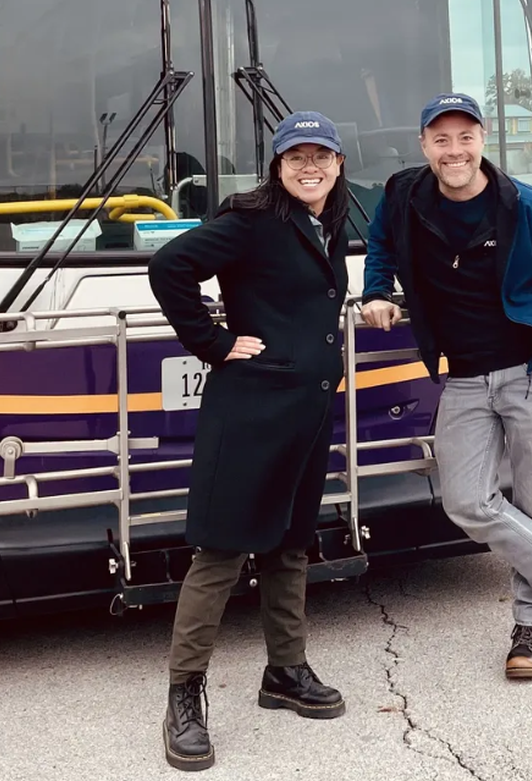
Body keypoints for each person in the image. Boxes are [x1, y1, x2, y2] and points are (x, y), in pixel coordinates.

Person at [359, 92, 532, 681]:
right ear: (424, 145)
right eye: (442, 139)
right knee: (466, 501)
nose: (455, 151)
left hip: (531, 374)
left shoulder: (528, 208)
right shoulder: (402, 196)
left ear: (483, 140)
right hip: (466, 379)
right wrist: (377, 290)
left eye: (466, 137)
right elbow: (381, 246)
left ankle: (529, 633)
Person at [147, 111, 353, 772]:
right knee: (222, 551)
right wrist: (213, 344)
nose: (310, 166)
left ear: (339, 164)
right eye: (297, 157)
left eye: (321, 156)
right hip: (252, 413)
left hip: (307, 415)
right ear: (278, 166)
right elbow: (170, 268)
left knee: (292, 544)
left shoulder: (326, 222)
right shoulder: (252, 221)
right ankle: (184, 696)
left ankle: (284, 673)